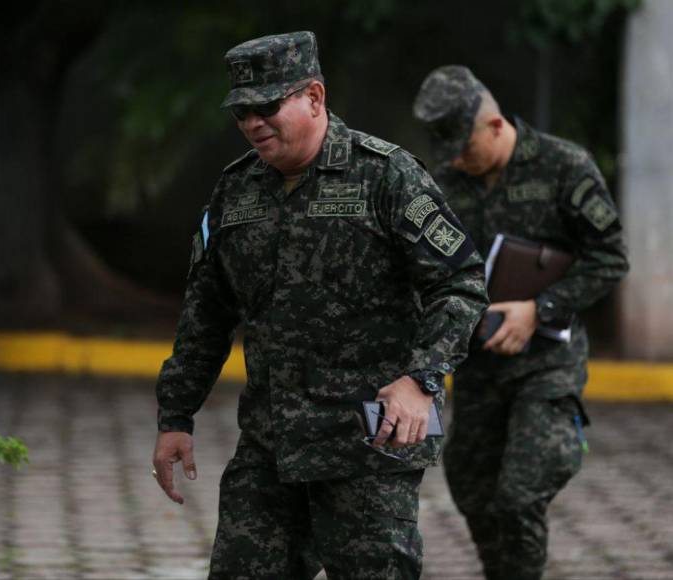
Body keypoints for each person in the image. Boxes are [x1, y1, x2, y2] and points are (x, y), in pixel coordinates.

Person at [152, 33, 488, 579]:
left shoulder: (387, 176)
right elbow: (207, 313)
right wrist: (175, 415)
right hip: (271, 445)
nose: (253, 122)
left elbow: (461, 283)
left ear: (313, 96)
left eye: (267, 106)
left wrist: (420, 379)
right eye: (242, 111)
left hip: (369, 447)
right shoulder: (236, 192)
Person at [413, 65, 630, 580]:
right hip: (478, 367)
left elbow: (610, 258)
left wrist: (540, 309)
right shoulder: (445, 182)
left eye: (465, 147)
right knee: (472, 490)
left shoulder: (563, 166)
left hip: (546, 365)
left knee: (518, 495)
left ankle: (562, 436)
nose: (456, 160)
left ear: (494, 126)